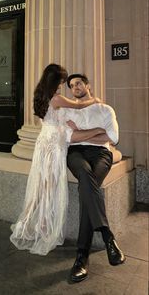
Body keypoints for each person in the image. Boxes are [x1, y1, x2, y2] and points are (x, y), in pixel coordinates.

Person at [10, 64, 104, 256]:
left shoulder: (41, 96)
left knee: (41, 186)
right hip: (53, 145)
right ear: (55, 80)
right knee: (49, 186)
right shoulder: (57, 98)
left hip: (45, 141)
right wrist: (95, 99)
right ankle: (43, 227)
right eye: (62, 80)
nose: (63, 83)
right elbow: (79, 104)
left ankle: (25, 224)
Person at [66, 73, 126, 283]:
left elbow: (114, 137)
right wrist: (98, 131)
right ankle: (107, 236)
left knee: (87, 190)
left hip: (102, 154)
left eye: (78, 83)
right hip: (76, 154)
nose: (75, 88)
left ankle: (82, 257)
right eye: (72, 86)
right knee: (84, 175)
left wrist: (84, 132)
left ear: (88, 85)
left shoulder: (105, 109)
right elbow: (70, 138)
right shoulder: (68, 111)